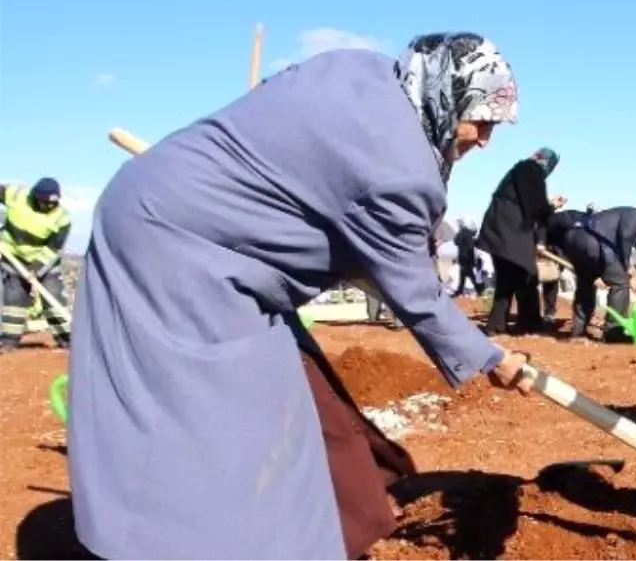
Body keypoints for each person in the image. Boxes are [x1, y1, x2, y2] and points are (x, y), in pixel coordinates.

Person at [67, 33, 535, 561]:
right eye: (484, 121)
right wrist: (490, 358)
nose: (486, 139)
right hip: (180, 258)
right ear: (450, 97)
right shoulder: (399, 166)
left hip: (193, 234)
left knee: (312, 403)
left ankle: (341, 522)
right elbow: (417, 293)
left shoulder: (364, 73)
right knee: (230, 421)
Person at [477, 148, 564, 335]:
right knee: (527, 274)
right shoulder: (531, 170)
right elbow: (536, 209)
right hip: (509, 231)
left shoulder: (521, 169)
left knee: (508, 278)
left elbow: (528, 203)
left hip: (498, 230)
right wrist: (552, 206)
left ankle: (496, 325)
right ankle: (529, 323)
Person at [548, 204, 636, 341]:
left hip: (577, 241)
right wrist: (627, 274)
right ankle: (614, 332)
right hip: (594, 243)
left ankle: (579, 331)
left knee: (586, 283)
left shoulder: (619, 213)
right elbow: (625, 237)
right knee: (620, 284)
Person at [0, 178, 72, 351]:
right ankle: (9, 341)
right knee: (15, 298)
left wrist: (35, 270)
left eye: (52, 203)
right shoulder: (16, 196)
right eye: (44, 202)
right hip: (13, 256)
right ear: (34, 196)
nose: (47, 206)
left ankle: (67, 339)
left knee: (53, 295)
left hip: (44, 261)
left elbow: (53, 249)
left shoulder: (62, 218)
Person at [452, 218, 481, 296]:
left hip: (463, 257)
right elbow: (470, 246)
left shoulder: (462, 232)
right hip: (467, 257)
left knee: (467, 274)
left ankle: (460, 291)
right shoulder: (468, 233)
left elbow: (456, 241)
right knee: (466, 274)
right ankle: (478, 289)